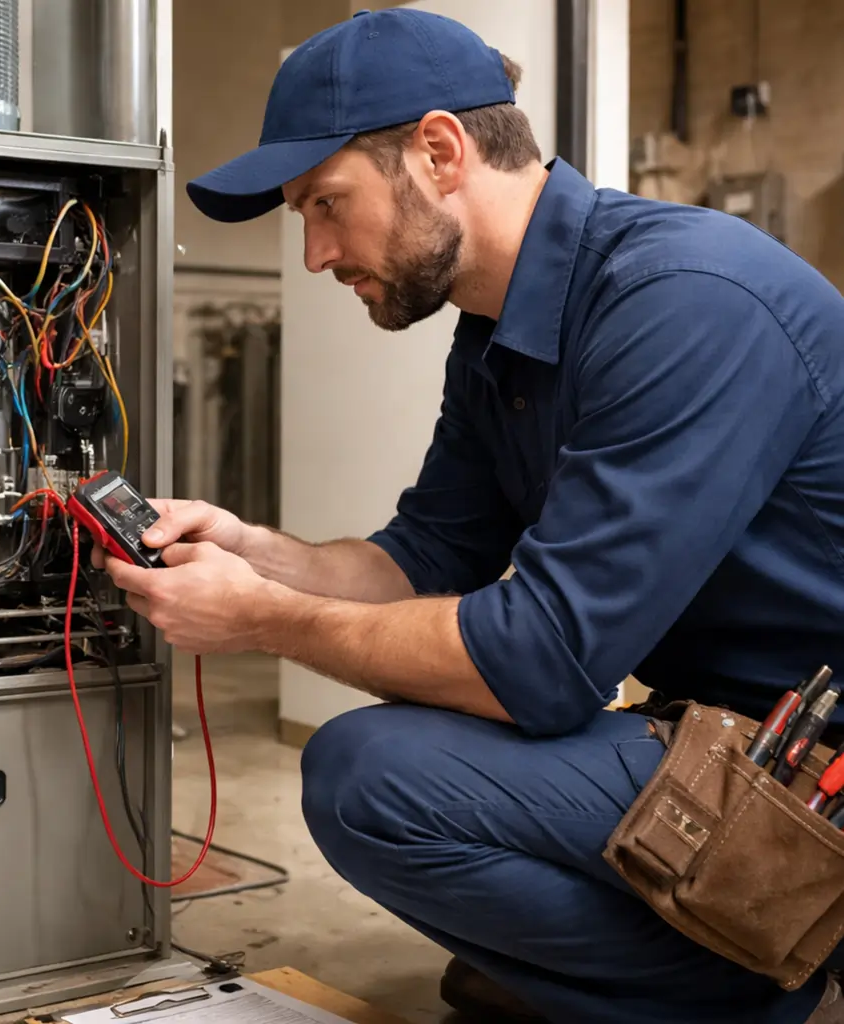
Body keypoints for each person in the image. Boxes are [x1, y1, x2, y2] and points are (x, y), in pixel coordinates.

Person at [90, 7, 844, 1024]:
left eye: (327, 204)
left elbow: (539, 662)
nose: (314, 254)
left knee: (373, 774)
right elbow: (428, 556)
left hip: (812, 763)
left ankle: (749, 977)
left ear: (440, 151)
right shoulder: (498, 333)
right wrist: (255, 555)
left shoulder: (684, 299)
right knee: (386, 751)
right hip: (714, 729)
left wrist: (259, 619)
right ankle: (661, 964)